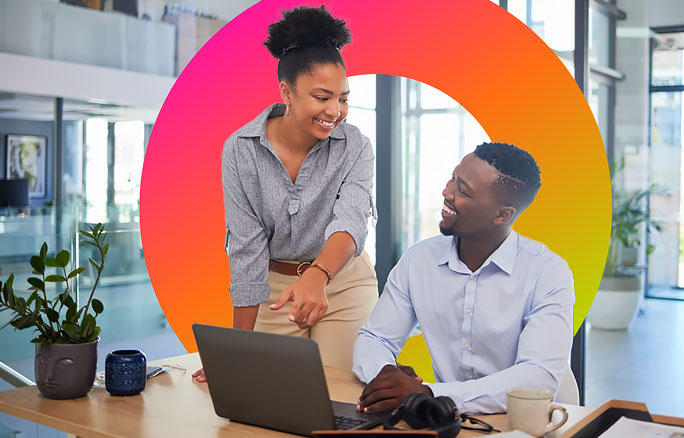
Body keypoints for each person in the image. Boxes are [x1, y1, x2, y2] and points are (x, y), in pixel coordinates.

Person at [193, 6, 378, 381]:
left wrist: (319, 275)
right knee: (266, 389)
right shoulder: (240, 149)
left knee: (338, 390)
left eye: (343, 98)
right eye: (323, 97)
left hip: (342, 282)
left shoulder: (355, 145)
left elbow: (352, 220)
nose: (335, 110)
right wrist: (236, 351)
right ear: (286, 92)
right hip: (276, 289)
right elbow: (247, 247)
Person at [351, 142, 575, 414]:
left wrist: (431, 393)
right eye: (453, 178)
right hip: (447, 422)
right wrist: (386, 375)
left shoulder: (547, 273)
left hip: (526, 423)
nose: (447, 192)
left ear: (502, 215)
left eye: (463, 191)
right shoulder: (419, 260)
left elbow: (537, 376)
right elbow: (375, 338)